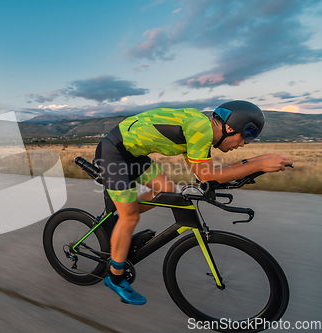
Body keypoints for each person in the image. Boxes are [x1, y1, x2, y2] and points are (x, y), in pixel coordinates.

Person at [94, 100, 292, 305]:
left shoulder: (201, 129)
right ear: (230, 127)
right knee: (130, 217)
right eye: (246, 136)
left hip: (133, 154)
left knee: (168, 192)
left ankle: (122, 221)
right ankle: (115, 277)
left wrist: (259, 161)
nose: (243, 144)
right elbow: (207, 176)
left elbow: (208, 174)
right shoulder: (200, 129)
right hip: (114, 152)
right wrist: (259, 163)